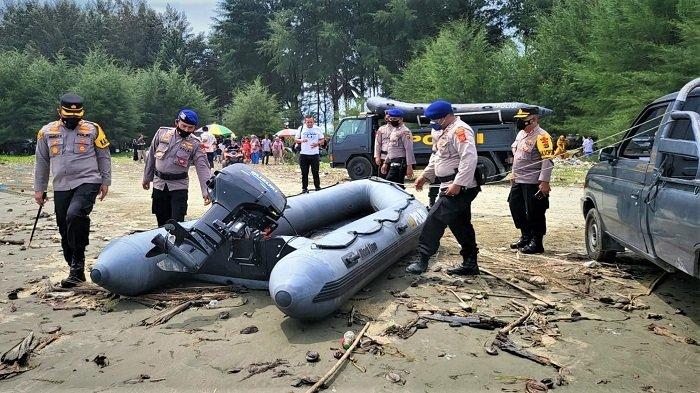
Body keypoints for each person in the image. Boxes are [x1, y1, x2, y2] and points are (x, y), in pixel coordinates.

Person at [34, 93, 111, 288]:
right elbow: (41, 161)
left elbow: (103, 156)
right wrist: (39, 189)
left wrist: (105, 181)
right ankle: (74, 265)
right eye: (68, 116)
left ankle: (77, 267)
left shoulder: (93, 129)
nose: (72, 120)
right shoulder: (46, 132)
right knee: (64, 226)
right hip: (61, 185)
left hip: (88, 180)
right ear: (60, 112)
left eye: (76, 117)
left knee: (75, 215)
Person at [406, 100, 481, 276]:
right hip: (447, 184)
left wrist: (458, 184)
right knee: (459, 224)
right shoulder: (440, 131)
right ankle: (470, 263)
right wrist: (425, 176)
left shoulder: (460, 130)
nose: (433, 123)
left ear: (446, 116)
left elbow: (469, 159)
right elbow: (437, 156)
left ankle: (423, 259)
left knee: (434, 219)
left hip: (461, 187)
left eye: (436, 119)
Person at [142, 109, 212, 227]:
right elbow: (151, 157)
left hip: (179, 187)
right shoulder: (161, 133)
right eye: (184, 126)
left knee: (177, 223)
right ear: (177, 122)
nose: (186, 130)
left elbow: (203, 167)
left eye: (190, 128)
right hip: (159, 184)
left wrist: (206, 191)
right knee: (161, 221)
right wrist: (146, 178)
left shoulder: (195, 143)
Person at [508, 107, 554, 254]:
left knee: (536, 211)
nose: (519, 122)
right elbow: (517, 156)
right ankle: (525, 236)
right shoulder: (521, 134)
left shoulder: (542, 136)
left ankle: (537, 241)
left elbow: (547, 161)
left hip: (533, 181)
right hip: (518, 179)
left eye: (522, 119)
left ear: (534, 119)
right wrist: (513, 173)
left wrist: (544, 182)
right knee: (515, 206)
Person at [380, 109, 415, 186]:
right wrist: (385, 163)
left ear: (401, 119)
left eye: (394, 119)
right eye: (391, 119)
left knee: (390, 185)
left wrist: (409, 167)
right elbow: (391, 149)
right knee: (397, 187)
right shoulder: (394, 131)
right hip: (392, 162)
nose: (392, 121)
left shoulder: (405, 132)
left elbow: (409, 150)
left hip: (400, 163)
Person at [295, 115, 325, 193]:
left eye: (311, 122)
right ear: (305, 122)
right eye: (308, 122)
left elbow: (322, 140)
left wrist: (317, 143)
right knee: (304, 173)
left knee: (315, 172)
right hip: (304, 154)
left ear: (313, 122)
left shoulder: (317, 129)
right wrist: (301, 140)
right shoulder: (301, 128)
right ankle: (304, 188)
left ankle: (317, 187)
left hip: (314, 154)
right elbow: (296, 140)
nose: (309, 124)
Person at [373, 111, 393, 178]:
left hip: (394, 158)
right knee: (382, 179)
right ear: (385, 117)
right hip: (383, 157)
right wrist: (377, 157)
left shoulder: (398, 128)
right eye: (387, 115)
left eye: (390, 115)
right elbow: (377, 143)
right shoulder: (381, 129)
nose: (388, 117)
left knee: (393, 179)